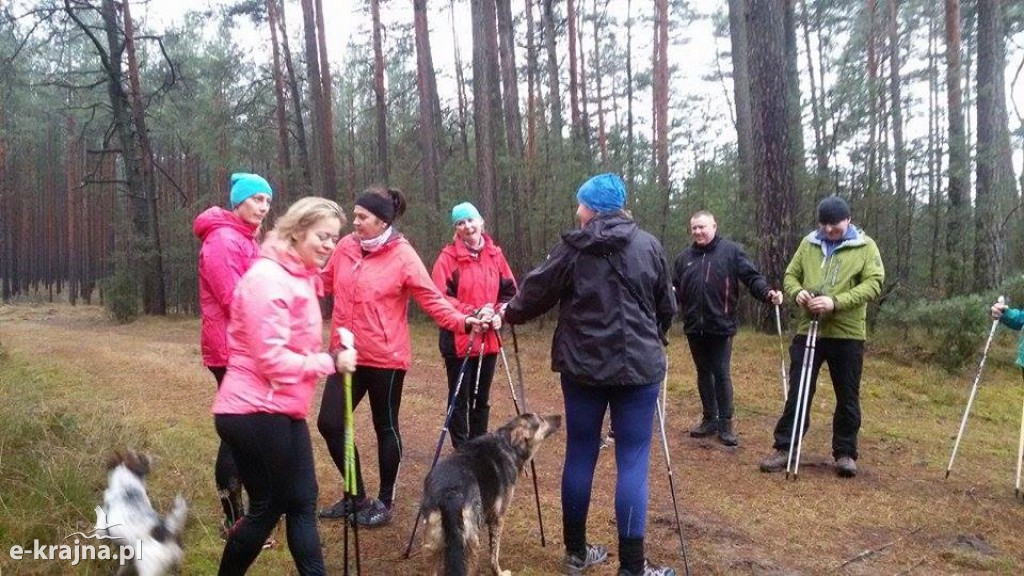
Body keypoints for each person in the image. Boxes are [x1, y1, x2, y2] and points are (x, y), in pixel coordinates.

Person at [499, 173, 678, 576]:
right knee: (632, 459)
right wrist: (656, 336)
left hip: (582, 368)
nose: (577, 211)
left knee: (580, 451)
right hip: (638, 369)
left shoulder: (573, 248)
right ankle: (633, 568)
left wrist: (506, 313)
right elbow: (666, 305)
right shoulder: (648, 245)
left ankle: (577, 553)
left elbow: (533, 294)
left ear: (593, 208)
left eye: (581, 204)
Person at [317, 186, 484, 528]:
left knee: (385, 426)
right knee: (331, 423)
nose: (355, 222)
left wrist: (464, 322)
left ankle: (385, 500)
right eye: (355, 215)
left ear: (381, 221)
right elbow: (323, 283)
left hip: (385, 357)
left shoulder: (403, 255)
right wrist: (286, 284)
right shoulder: (347, 247)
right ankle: (356, 495)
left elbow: (433, 300)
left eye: (362, 217)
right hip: (346, 352)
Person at [212, 196, 356, 575]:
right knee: (271, 505)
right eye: (322, 236)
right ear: (296, 231)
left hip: (279, 408)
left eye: (333, 238)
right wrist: (331, 362)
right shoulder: (268, 278)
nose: (328, 245)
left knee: (302, 499)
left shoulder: (298, 275)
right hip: (252, 410)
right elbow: (271, 359)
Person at [759, 196, 884, 478]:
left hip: (847, 332)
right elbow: (791, 275)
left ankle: (845, 452)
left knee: (847, 394)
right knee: (800, 390)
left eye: (835, 225)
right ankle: (785, 447)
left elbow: (874, 284)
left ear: (848, 220)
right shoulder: (809, 243)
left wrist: (835, 302)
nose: (829, 230)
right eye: (824, 224)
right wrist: (797, 293)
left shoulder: (865, 246)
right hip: (808, 329)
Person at [193, 172, 273, 536]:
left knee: (242, 430)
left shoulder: (244, 238)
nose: (263, 207)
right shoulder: (224, 240)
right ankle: (235, 519)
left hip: (243, 346)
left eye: (268, 202)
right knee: (238, 432)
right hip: (230, 349)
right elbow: (234, 298)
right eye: (257, 199)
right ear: (238, 201)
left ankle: (244, 514)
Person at [672, 211, 783, 447]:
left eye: (702, 227)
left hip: (720, 325)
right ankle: (709, 419)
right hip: (694, 326)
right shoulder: (684, 258)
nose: (698, 232)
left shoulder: (731, 252)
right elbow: (673, 288)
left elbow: (752, 278)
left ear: (714, 225)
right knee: (703, 373)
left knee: (721, 373)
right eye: (694, 228)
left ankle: (726, 424)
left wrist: (767, 293)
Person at [431, 201, 517, 449]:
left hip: (489, 338)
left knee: (482, 397)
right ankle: (462, 450)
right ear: (456, 229)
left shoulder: (495, 255)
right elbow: (440, 298)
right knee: (460, 398)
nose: (467, 226)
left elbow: (510, 292)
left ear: (481, 222)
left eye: (470, 220)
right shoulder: (447, 258)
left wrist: (500, 313)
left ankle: (478, 447)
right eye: (461, 222)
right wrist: (474, 313)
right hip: (458, 337)